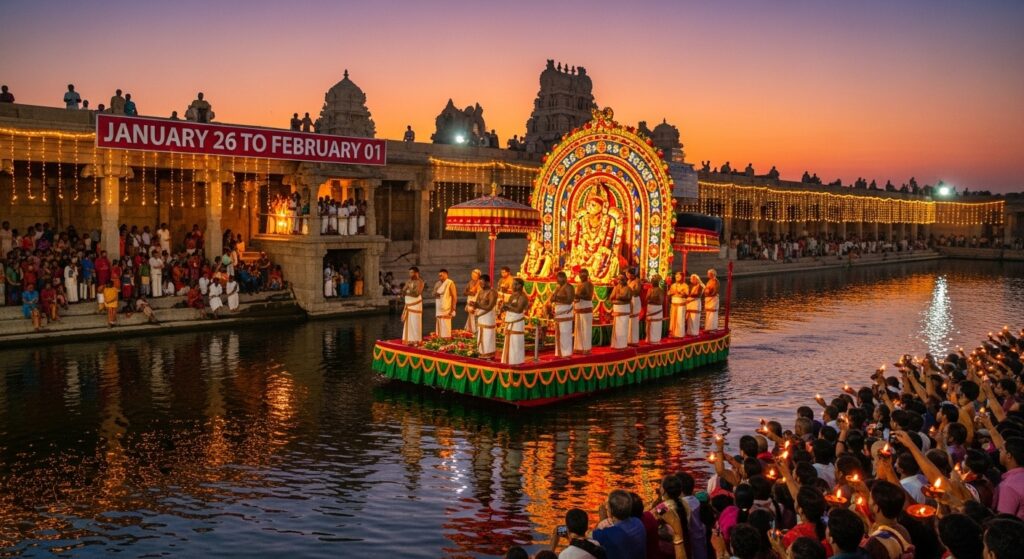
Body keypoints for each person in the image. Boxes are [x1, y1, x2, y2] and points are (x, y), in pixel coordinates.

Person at [592, 489, 646, 559]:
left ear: (611, 510)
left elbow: (587, 537)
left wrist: (602, 519)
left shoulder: (610, 533)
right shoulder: (638, 522)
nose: (605, 507)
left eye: (607, 505)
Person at [501, 278, 529, 365]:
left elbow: (518, 310)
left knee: (516, 341)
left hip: (517, 323)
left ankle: (516, 361)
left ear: (520, 286)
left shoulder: (523, 297)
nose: (512, 286)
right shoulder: (513, 295)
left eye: (515, 284)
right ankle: (508, 360)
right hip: (511, 321)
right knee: (509, 341)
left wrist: (508, 307)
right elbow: (509, 305)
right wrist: (504, 307)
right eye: (513, 284)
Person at [472, 274, 498, 359]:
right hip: (481, 316)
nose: (481, 285)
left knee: (487, 335)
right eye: (480, 283)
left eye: (482, 283)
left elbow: (490, 307)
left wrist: (478, 306)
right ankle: (481, 352)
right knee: (480, 333)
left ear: (487, 282)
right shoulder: (481, 291)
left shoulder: (492, 292)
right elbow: (477, 302)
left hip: (488, 316)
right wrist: (473, 305)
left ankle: (489, 354)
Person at [550, 271, 575, 358]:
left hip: (565, 312)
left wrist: (558, 298)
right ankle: (559, 353)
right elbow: (551, 298)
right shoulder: (557, 287)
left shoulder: (569, 287)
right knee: (558, 333)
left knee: (565, 332)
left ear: (564, 278)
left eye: (560, 278)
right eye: (557, 278)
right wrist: (555, 297)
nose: (558, 280)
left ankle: (566, 353)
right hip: (558, 312)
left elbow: (569, 300)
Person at [573, 268, 595, 355]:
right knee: (578, 330)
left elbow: (589, 296)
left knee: (586, 329)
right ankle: (578, 348)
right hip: (579, 308)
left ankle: (586, 348)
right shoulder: (579, 284)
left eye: (583, 275)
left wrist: (577, 295)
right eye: (580, 275)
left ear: (587, 275)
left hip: (586, 308)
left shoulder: (589, 284)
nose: (581, 276)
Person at [402, 267, 425, 345]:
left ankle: (416, 340)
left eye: (412, 273)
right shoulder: (408, 281)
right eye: (409, 273)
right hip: (408, 304)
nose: (410, 274)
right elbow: (403, 291)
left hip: (415, 305)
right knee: (408, 322)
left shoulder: (420, 282)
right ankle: (408, 340)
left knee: (415, 322)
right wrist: (408, 291)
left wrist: (408, 291)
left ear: (416, 273)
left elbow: (416, 293)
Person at [609, 273, 632, 349]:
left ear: (625, 280)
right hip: (617, 308)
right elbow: (611, 297)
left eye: (621, 279)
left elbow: (627, 298)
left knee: (622, 327)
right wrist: (617, 299)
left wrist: (618, 297)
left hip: (624, 308)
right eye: (618, 279)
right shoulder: (616, 287)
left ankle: (622, 345)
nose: (620, 281)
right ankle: (616, 344)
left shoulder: (628, 289)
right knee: (616, 327)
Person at [434, 269, 457, 338]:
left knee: (446, 324)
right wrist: (436, 293)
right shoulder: (437, 283)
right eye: (440, 275)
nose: (441, 277)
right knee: (439, 323)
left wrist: (453, 308)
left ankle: (446, 339)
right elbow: (433, 293)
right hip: (439, 306)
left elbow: (454, 296)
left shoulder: (450, 283)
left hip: (447, 306)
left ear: (446, 275)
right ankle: (439, 338)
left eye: (442, 275)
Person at [646, 274, 664, 343]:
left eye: (654, 281)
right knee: (649, 325)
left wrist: (651, 300)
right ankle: (649, 339)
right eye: (652, 280)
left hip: (656, 309)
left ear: (657, 282)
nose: (652, 282)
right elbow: (646, 299)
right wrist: (651, 299)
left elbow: (660, 301)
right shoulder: (649, 289)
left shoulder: (660, 290)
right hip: (650, 309)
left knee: (655, 325)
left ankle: (655, 340)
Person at [668, 272, 687, 338]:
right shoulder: (673, 285)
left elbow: (686, 294)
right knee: (673, 319)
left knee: (679, 318)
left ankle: (679, 334)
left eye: (678, 277)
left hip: (680, 304)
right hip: (674, 303)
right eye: (676, 277)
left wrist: (680, 292)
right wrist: (671, 292)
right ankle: (672, 333)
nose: (677, 278)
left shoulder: (685, 285)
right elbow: (669, 293)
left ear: (682, 277)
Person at [626, 268, 642, 346]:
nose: (627, 275)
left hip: (635, 300)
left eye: (628, 274)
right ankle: (629, 339)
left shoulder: (637, 281)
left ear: (632, 274)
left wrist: (628, 290)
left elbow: (637, 292)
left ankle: (634, 340)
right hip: (629, 300)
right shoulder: (628, 281)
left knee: (634, 320)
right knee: (629, 321)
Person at [464, 269, 482, 335]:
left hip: (477, 304)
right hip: (470, 302)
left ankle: (477, 333)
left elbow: (480, 294)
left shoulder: (480, 283)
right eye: (472, 275)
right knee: (471, 318)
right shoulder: (470, 282)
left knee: (476, 318)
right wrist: (470, 293)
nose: (473, 276)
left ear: (478, 276)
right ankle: (472, 334)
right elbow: (465, 292)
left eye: (475, 275)